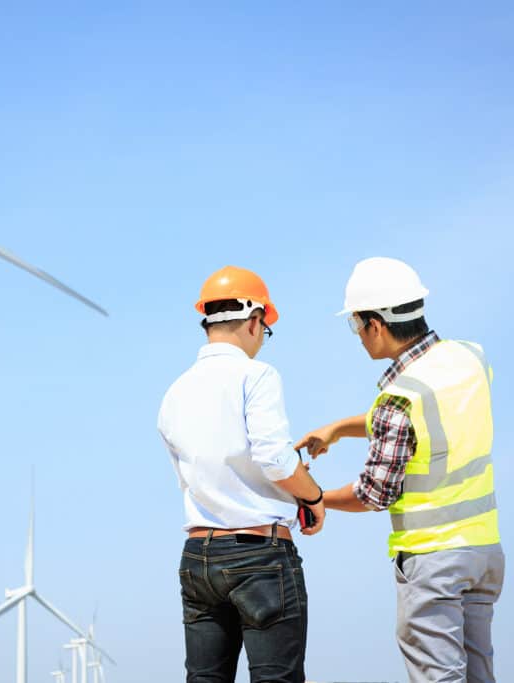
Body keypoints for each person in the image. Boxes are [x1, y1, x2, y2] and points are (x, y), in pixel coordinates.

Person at [295, 257, 504, 683]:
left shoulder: (399, 398)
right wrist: (339, 428)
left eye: (356, 325)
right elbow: (427, 416)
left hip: (433, 561)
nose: (358, 336)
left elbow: (373, 493)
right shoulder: (469, 358)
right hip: (484, 553)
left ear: (375, 324)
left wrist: (314, 497)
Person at [158, 265, 326, 683]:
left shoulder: (175, 391)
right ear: (255, 320)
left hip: (198, 557)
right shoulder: (257, 375)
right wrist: (312, 496)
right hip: (259, 557)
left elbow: (192, 477)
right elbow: (274, 459)